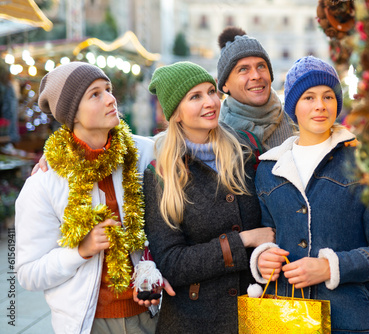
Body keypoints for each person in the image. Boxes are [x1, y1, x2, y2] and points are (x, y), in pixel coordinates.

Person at [249, 56, 369, 333]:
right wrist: (262, 257)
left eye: (328, 96)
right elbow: (268, 235)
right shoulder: (269, 168)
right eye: (309, 97)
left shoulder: (365, 164)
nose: (320, 106)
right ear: (293, 107)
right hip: (289, 319)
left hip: (351, 320)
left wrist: (330, 267)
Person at [15, 62, 166, 334]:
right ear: (72, 113)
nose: (111, 99)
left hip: (151, 313)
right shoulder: (45, 184)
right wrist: (80, 251)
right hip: (88, 323)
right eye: (95, 94)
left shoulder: (144, 153)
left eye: (108, 89)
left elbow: (190, 140)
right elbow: (28, 273)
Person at [143, 61, 275, 333]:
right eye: (195, 97)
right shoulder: (162, 173)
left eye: (211, 91)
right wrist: (243, 240)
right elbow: (171, 262)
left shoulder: (246, 150)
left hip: (256, 311)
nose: (211, 102)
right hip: (194, 320)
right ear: (176, 113)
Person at [216, 26, 296, 149]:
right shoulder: (215, 136)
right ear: (225, 84)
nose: (256, 76)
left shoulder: (297, 120)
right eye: (243, 69)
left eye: (261, 66)